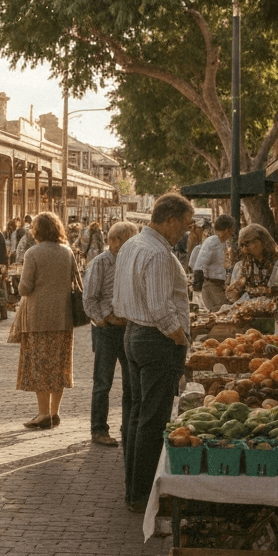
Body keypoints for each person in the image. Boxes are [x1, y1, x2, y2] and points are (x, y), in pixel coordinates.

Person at [113, 193, 195, 513]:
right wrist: (180, 338)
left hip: (134, 334)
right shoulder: (158, 252)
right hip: (155, 339)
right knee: (152, 420)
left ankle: (135, 490)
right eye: (185, 224)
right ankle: (145, 495)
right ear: (170, 220)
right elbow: (161, 310)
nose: (186, 231)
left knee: (138, 416)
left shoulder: (132, 244)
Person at [16, 212, 77, 430]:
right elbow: (75, 280)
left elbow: (25, 288)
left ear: (37, 231)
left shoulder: (33, 253)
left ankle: (43, 414)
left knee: (40, 366)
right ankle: (54, 412)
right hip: (63, 318)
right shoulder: (67, 252)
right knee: (58, 366)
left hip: (38, 318)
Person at [83, 221, 138, 447]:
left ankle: (128, 426)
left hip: (129, 328)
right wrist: (103, 318)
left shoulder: (133, 262)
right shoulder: (100, 263)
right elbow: (89, 298)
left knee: (130, 383)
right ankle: (99, 429)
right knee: (103, 382)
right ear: (114, 241)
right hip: (107, 331)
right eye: (128, 241)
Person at [225, 223, 278, 302]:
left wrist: (264, 291)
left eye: (247, 244)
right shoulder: (241, 267)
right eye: (242, 246)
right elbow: (232, 298)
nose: (244, 250)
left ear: (262, 241)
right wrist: (236, 290)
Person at [191, 213, 235, 310]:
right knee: (220, 311)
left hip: (218, 286)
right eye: (231, 229)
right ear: (227, 229)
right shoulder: (212, 242)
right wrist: (197, 290)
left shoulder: (222, 243)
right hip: (211, 286)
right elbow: (200, 265)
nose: (232, 232)